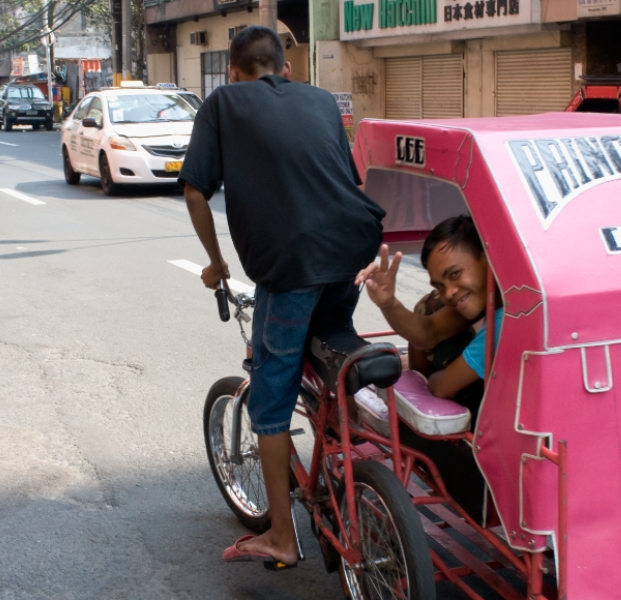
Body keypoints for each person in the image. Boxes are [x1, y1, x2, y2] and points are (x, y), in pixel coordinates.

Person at [178, 25, 384, 568]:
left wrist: (218, 263)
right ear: (285, 68)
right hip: (353, 249)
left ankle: (281, 538)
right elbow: (345, 179)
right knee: (331, 345)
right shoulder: (319, 100)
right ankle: (349, 452)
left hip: (291, 265)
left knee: (270, 396)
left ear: (234, 72)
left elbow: (196, 188)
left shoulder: (223, 102)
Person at [355, 215, 503, 404]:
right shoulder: (487, 297)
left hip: (484, 412)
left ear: (488, 259)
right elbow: (427, 332)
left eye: (455, 273)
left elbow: (442, 388)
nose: (448, 293)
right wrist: (388, 303)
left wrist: (431, 380)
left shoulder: (505, 322)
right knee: (431, 305)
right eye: (440, 285)